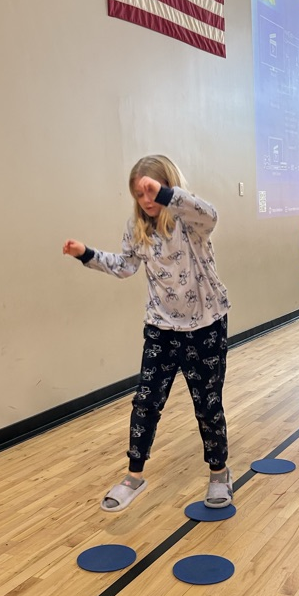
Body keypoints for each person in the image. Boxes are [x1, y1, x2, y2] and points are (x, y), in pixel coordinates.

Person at [62, 155, 232, 513]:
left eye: (151, 191)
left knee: (207, 404)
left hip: (205, 325)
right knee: (145, 401)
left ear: (167, 186)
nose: (146, 200)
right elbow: (125, 266)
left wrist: (170, 194)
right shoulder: (137, 227)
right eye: (139, 194)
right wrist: (86, 254)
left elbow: (211, 214)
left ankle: (219, 473)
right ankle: (133, 476)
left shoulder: (190, 220)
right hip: (161, 327)